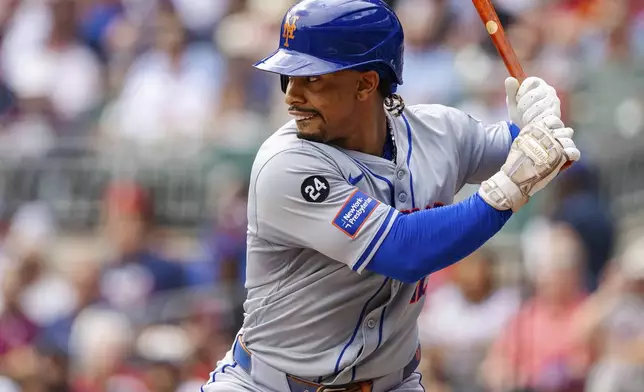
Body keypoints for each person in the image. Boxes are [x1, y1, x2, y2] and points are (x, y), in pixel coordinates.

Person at [202, 1, 580, 391]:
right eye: (288, 77)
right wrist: (510, 188)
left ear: (366, 83)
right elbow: (404, 250)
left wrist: (539, 122)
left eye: (311, 79)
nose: (291, 96)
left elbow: (547, 154)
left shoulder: (438, 132)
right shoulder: (285, 164)